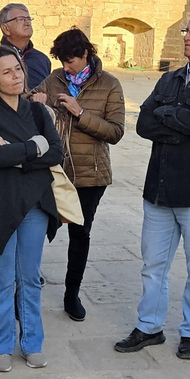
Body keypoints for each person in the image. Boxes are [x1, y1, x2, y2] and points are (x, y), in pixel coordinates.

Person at [115, 7, 190, 361]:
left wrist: (169, 117)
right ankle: (149, 326)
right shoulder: (168, 80)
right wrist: (184, 118)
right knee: (153, 265)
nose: (186, 36)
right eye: (186, 30)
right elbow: (143, 125)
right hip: (160, 189)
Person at [0, 46, 64, 370]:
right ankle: (0, 345)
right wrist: (34, 147)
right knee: (2, 279)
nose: (16, 76)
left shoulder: (37, 112)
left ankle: (32, 342)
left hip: (34, 203)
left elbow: (56, 153)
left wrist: (16, 152)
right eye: (6, 72)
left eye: (18, 70)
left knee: (30, 278)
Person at [34, 28, 126, 320]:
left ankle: (72, 293)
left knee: (80, 234)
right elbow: (30, 99)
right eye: (62, 60)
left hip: (91, 175)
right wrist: (35, 102)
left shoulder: (110, 84)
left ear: (86, 53)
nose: (66, 66)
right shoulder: (55, 79)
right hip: (54, 171)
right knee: (39, 228)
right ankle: (25, 286)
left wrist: (80, 113)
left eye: (70, 60)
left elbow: (115, 132)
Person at [0, 2, 51, 94]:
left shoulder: (42, 59)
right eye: (20, 19)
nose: (27, 23)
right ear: (6, 28)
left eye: (28, 18)